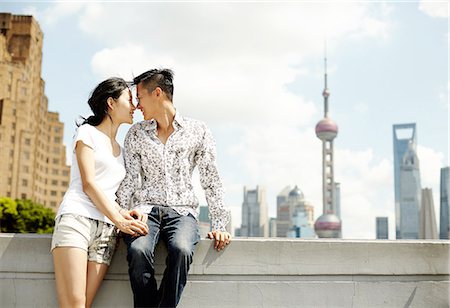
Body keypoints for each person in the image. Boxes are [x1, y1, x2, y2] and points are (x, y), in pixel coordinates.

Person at [116, 69, 232, 308]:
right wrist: (117, 218)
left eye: (139, 97)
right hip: (145, 211)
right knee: (138, 251)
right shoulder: (135, 134)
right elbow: (129, 180)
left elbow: (211, 178)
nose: (137, 106)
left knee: (181, 249)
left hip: (183, 212)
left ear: (157, 93)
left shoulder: (198, 131)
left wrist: (220, 225)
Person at [51, 77, 149, 308]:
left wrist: (125, 214)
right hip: (77, 220)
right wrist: (119, 220)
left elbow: (109, 193)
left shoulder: (122, 150)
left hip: (106, 232)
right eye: (129, 100)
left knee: (84, 305)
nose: (134, 106)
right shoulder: (87, 133)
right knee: (73, 305)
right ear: (111, 103)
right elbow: (89, 184)